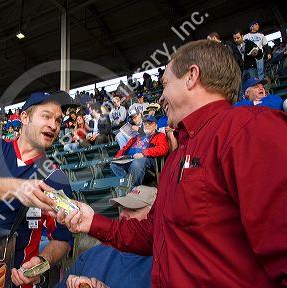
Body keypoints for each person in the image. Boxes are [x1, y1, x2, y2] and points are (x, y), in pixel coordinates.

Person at [53, 40, 287, 287]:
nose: (162, 96)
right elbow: (152, 234)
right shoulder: (178, 154)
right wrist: (92, 221)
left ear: (191, 76)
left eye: (165, 83)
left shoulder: (250, 129)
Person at [0, 91, 75, 288]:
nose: (54, 126)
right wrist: (20, 187)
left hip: (14, 279)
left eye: (58, 120)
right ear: (24, 117)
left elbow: (63, 239)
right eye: (46, 116)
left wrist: (40, 264)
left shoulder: (55, 178)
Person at [57, 186, 156, 288]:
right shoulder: (94, 253)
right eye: (123, 208)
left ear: (154, 218)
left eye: (133, 210)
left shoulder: (161, 266)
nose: (122, 214)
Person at [110, 116, 169, 186]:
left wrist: (143, 153)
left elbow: (163, 149)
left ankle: (133, 187)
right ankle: (129, 183)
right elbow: (124, 148)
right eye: (145, 123)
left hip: (146, 160)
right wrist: (118, 157)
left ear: (155, 126)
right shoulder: (136, 137)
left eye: (150, 123)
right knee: (113, 164)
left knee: (137, 162)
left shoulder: (159, 136)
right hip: (129, 158)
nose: (147, 125)